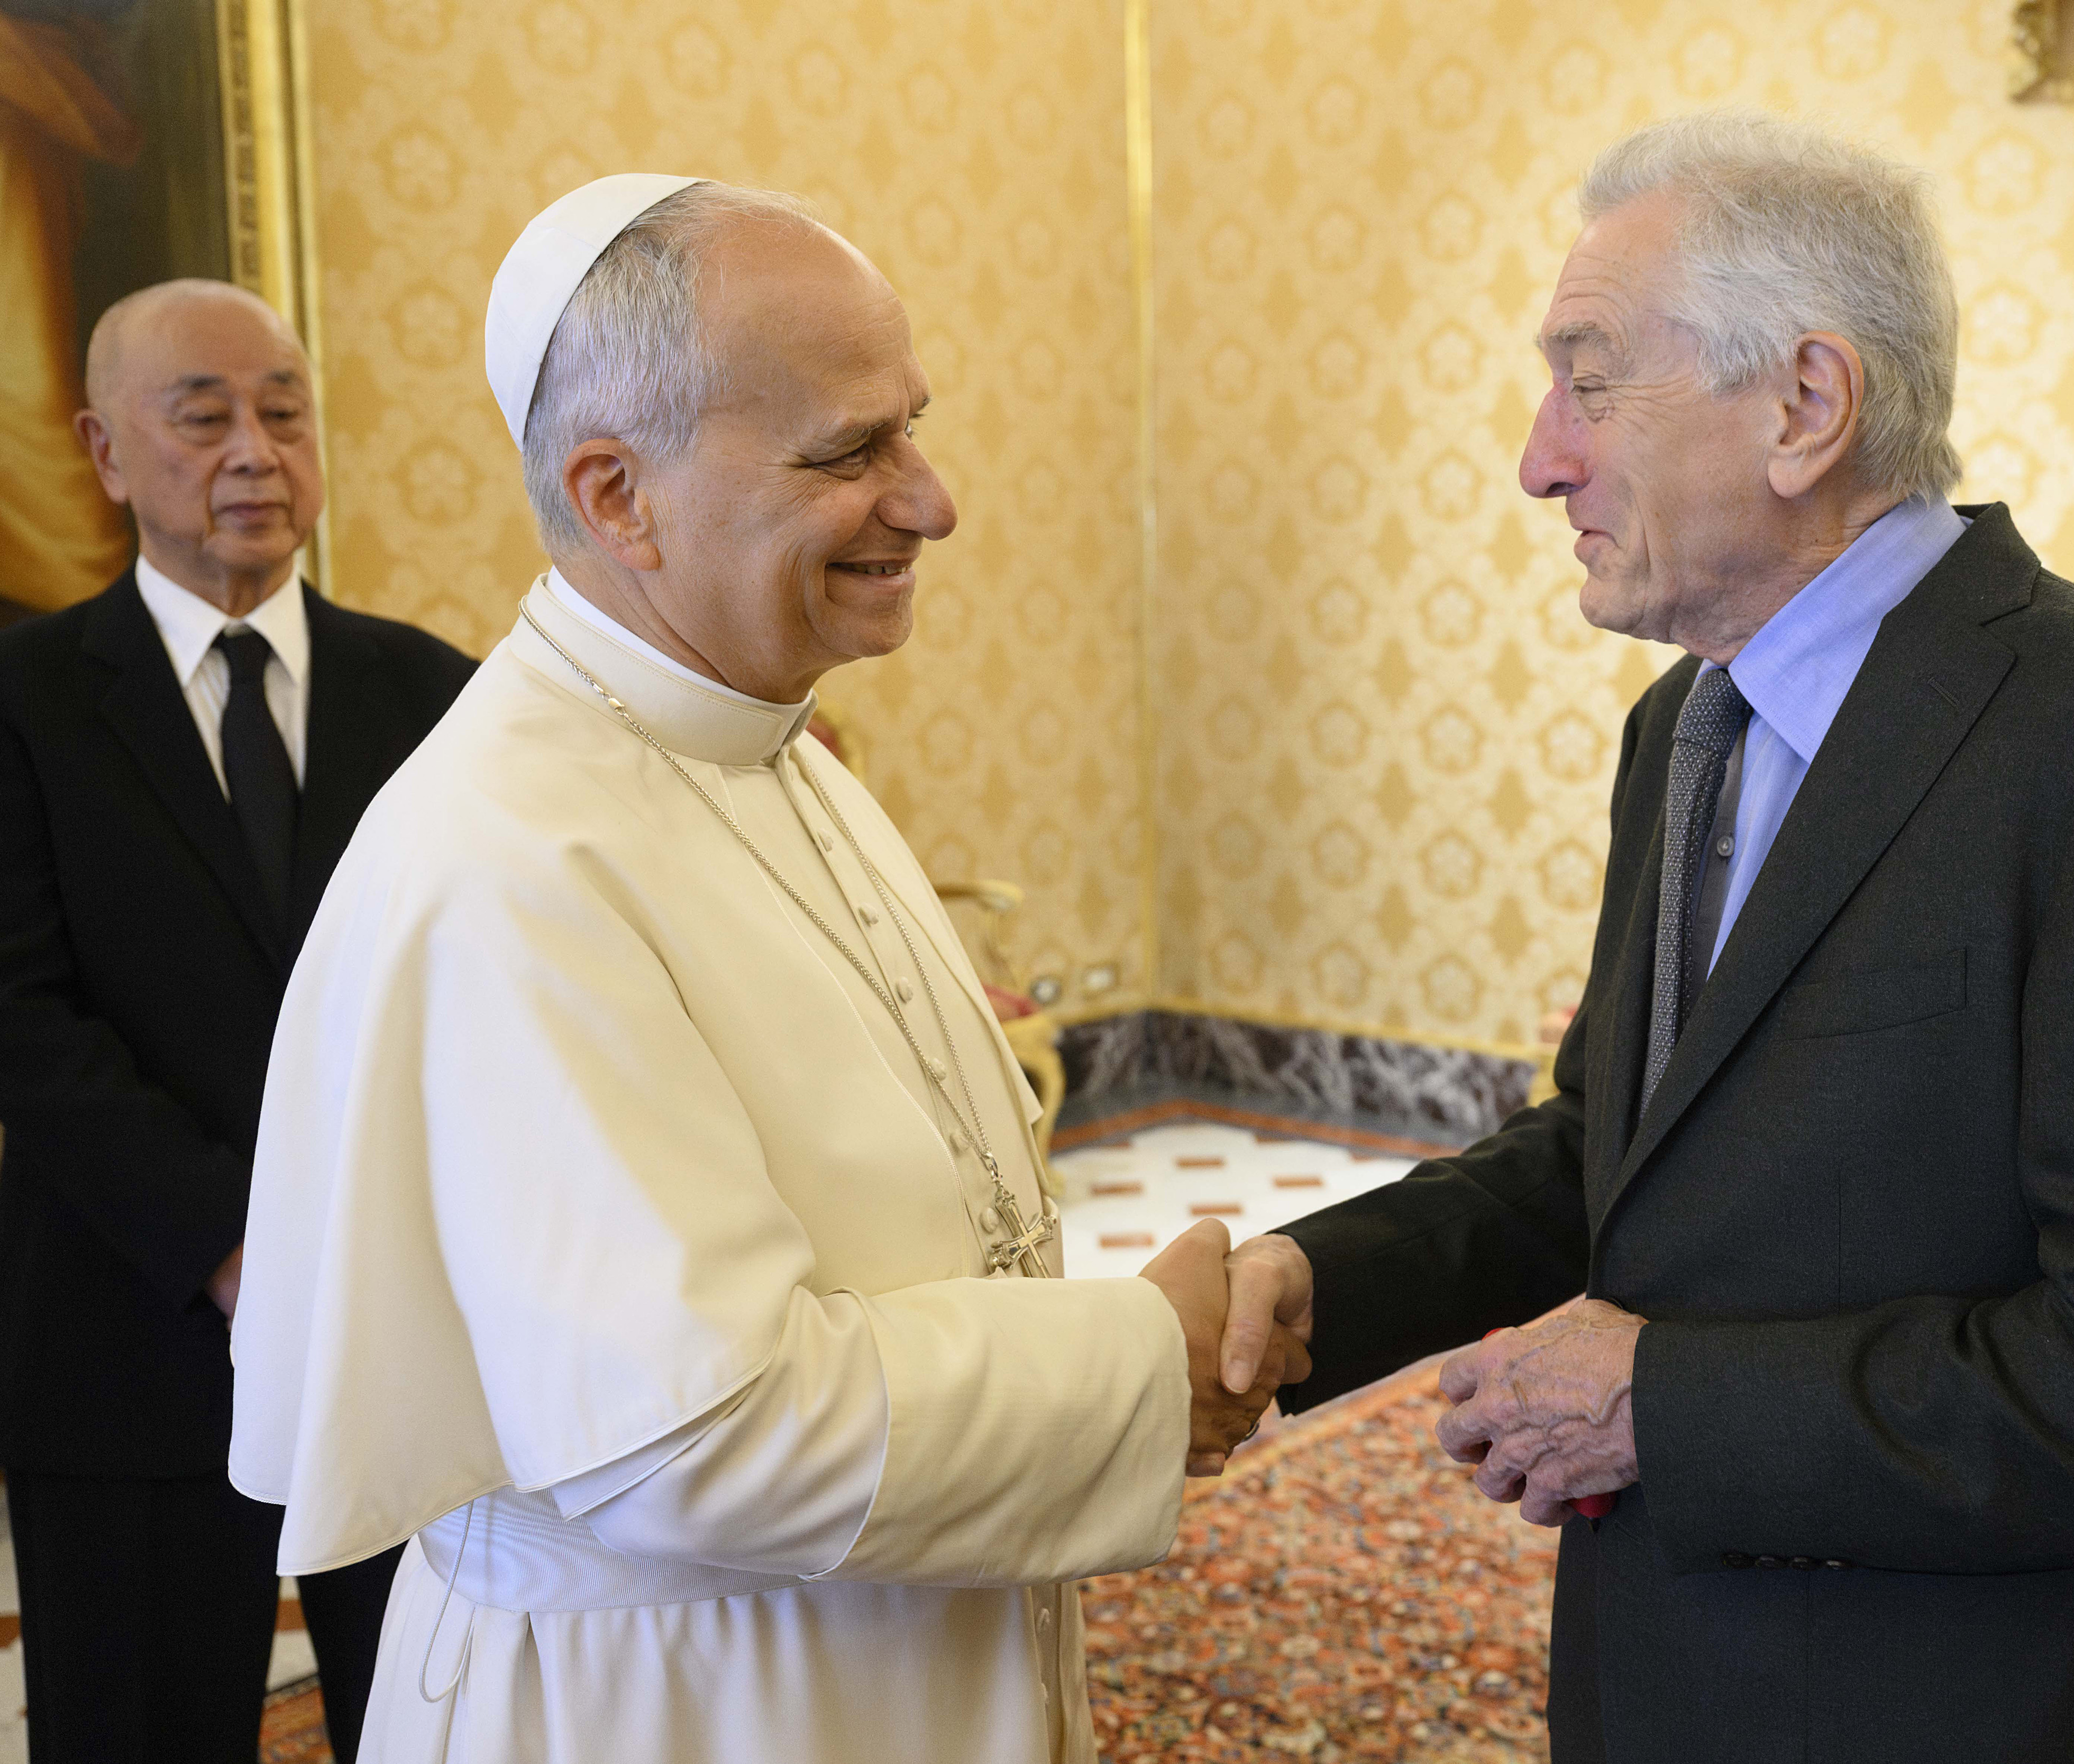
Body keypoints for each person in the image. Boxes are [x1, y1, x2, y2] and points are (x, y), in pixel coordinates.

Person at [1219, 112, 2074, 1763]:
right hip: (1672, 1674)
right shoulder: (1683, 728)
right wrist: (1317, 1282)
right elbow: (1623, 1148)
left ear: (1805, 407)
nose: (1540, 457)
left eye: (1588, 382)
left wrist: (1662, 1409)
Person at [227, 176, 1299, 1764]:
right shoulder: (513, 859)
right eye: (850, 453)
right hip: (680, 1707)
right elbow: (701, 1438)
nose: (931, 501)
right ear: (618, 495)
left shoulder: (767, 746)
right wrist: (1140, 1358)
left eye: (911, 430)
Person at [0, 279, 477, 1763]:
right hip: (124, 1333)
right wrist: (229, 1242)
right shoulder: (23, 702)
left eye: (284, 408)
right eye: (202, 414)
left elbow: (486, 991)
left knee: (442, 1717)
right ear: (103, 449)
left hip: (407, 1322)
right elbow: (23, 1018)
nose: (255, 448)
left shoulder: (441, 695)